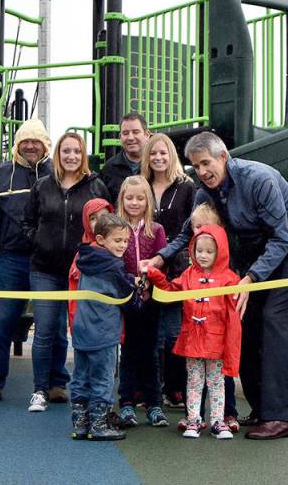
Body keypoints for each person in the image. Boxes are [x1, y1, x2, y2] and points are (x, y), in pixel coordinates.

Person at [144, 131, 288, 440]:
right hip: (256, 250)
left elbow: (282, 239)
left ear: (223, 156)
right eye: (195, 166)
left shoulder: (260, 179)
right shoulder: (204, 192)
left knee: (275, 321)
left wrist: (250, 278)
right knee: (244, 322)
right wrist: (159, 259)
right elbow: (190, 234)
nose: (201, 172)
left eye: (206, 163)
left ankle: (279, 418)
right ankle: (261, 408)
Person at [22, 132, 110, 413]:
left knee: (73, 331)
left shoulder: (96, 186)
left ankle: (66, 385)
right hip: (45, 269)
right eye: (66, 151)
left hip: (81, 270)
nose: (71, 156)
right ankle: (39, 389)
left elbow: (107, 226)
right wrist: (38, 240)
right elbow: (27, 221)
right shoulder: (42, 186)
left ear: (83, 155)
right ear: (58, 154)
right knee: (45, 330)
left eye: (76, 151)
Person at [0, 119, 52, 403]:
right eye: (25, 141)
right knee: (0, 323)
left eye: (36, 141)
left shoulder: (56, 172)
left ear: (45, 144)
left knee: (52, 326)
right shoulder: (1, 174)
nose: (30, 146)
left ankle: (56, 383)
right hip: (11, 258)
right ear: (18, 145)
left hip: (47, 260)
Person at [147, 224, 241, 440]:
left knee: (217, 383)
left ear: (220, 252)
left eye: (209, 251)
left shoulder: (229, 278)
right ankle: (194, 420)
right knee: (193, 381)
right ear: (192, 250)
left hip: (216, 342)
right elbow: (171, 289)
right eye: (199, 250)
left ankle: (218, 421)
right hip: (192, 340)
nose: (203, 255)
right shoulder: (188, 274)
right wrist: (155, 275)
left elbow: (234, 314)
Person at [70, 213, 136, 441]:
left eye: (126, 241)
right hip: (104, 331)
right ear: (100, 239)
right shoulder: (113, 266)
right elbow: (128, 299)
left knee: (80, 376)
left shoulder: (85, 259)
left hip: (81, 329)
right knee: (102, 378)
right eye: (118, 240)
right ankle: (99, 424)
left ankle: (80, 424)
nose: (123, 246)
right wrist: (137, 288)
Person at [141, 133, 195, 411]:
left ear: (171, 155)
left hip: (176, 268)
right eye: (153, 154)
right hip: (146, 267)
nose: (158, 158)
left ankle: (175, 388)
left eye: (163, 153)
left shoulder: (186, 187)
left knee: (174, 332)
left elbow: (191, 230)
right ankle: (150, 390)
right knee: (152, 334)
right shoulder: (142, 186)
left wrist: (170, 257)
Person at [114, 176, 168, 429]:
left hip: (150, 299)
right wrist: (129, 282)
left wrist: (149, 282)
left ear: (148, 200)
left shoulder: (156, 230)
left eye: (140, 198)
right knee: (128, 352)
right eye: (129, 197)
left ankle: (154, 404)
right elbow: (114, 263)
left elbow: (161, 260)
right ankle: (126, 402)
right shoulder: (117, 228)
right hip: (126, 298)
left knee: (151, 352)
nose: (134, 202)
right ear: (122, 200)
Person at [67, 198, 114, 328]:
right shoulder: (84, 254)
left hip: (109, 320)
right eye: (93, 218)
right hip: (86, 322)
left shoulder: (117, 247)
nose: (99, 222)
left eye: (104, 216)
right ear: (86, 222)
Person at [100, 112, 152, 202]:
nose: (130, 137)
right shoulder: (109, 169)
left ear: (147, 135)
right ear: (120, 137)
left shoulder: (155, 166)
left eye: (136, 132)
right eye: (125, 133)